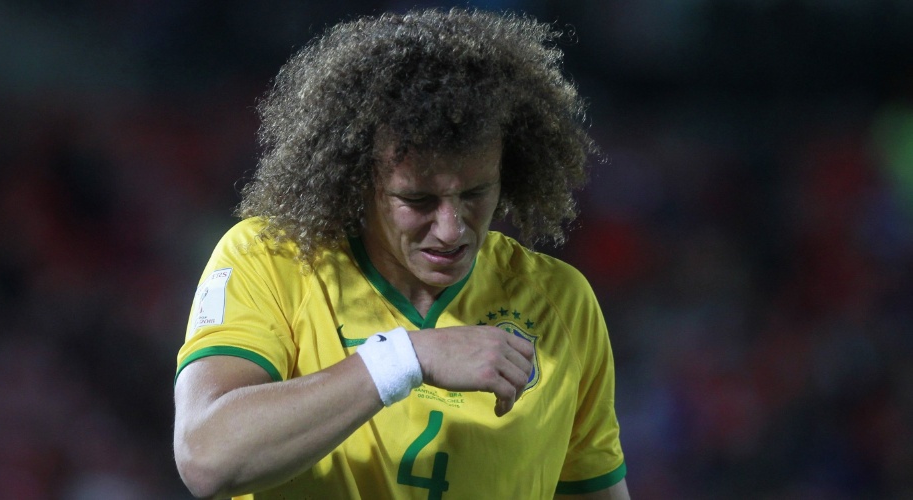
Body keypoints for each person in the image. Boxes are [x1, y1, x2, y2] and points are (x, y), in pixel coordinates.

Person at [173, 8, 629, 499]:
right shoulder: (271, 259)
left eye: (475, 194)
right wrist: (407, 358)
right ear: (359, 177)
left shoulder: (561, 301)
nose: (452, 230)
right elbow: (207, 456)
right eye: (418, 200)